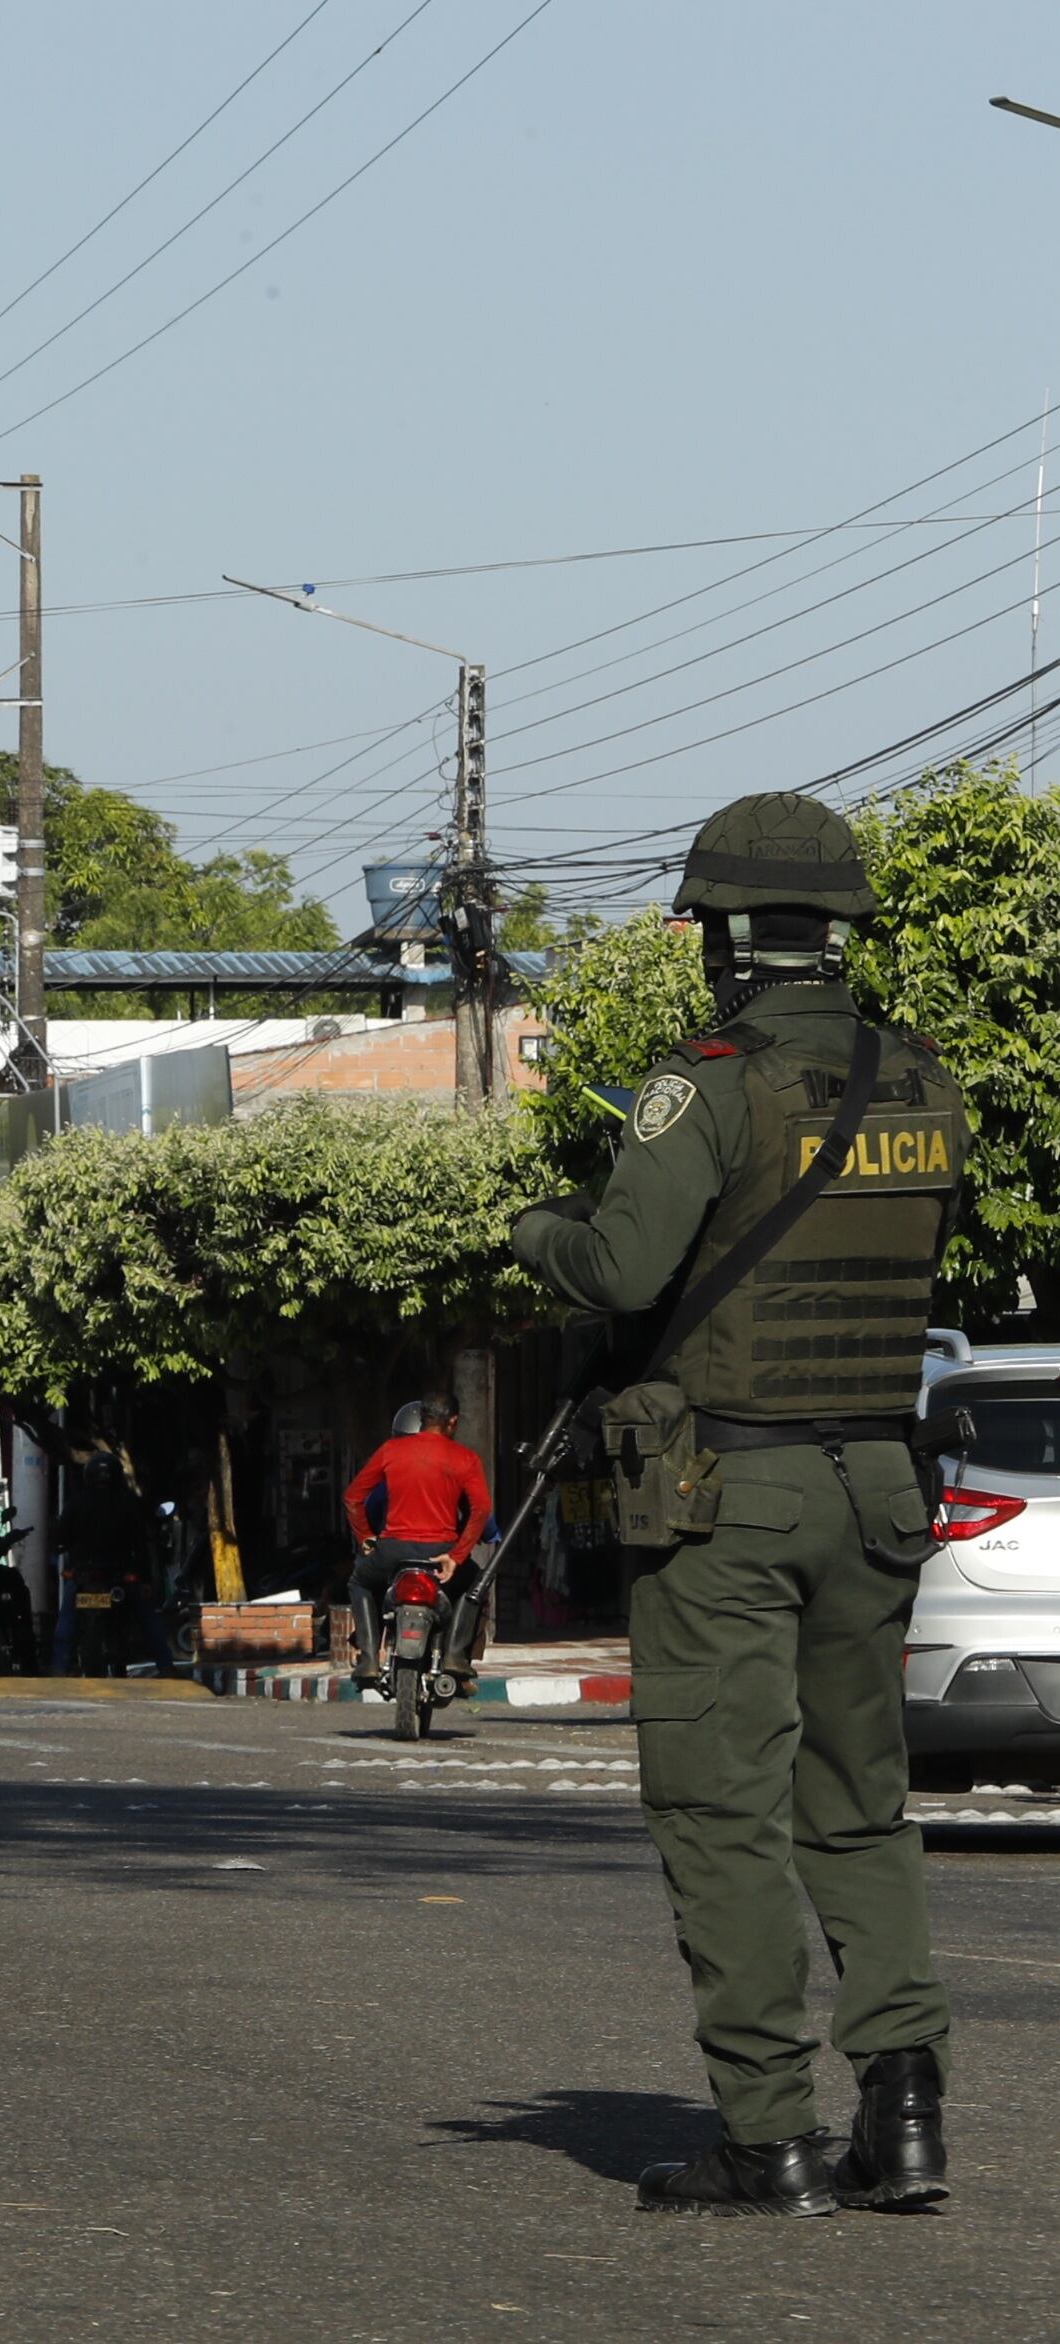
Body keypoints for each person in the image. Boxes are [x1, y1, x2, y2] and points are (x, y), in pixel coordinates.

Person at [511, 792, 965, 2218]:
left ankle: (765, 2135)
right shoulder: (924, 1080)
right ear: (836, 930)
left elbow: (620, 1270)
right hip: (876, 1484)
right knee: (859, 1804)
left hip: (729, 1491)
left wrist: (533, 1229)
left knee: (721, 1812)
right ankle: (901, 2115)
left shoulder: (703, 1084)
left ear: (722, 936)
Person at [339, 1393, 491, 1685]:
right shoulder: (466, 1458)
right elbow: (481, 1510)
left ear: (422, 1419)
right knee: (476, 1583)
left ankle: (369, 1658)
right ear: (453, 1422)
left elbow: (352, 1498)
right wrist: (457, 1556)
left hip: (392, 1552)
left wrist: (366, 1538)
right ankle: (455, 1655)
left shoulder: (391, 1450)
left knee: (359, 1583)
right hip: (441, 1553)